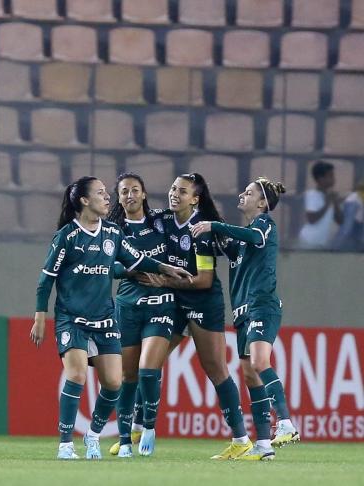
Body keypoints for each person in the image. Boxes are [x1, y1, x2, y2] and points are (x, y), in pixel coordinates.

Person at [31, 176, 192, 460]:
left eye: (107, 193)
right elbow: (46, 281)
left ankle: (93, 436)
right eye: (101, 193)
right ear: (84, 200)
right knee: (77, 374)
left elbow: (138, 260)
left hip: (105, 319)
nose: (108, 198)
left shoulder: (113, 234)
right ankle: (66, 444)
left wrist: (167, 268)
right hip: (72, 318)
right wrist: (40, 317)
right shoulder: (67, 236)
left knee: (114, 383)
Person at [140, 173, 253, 459]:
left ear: (195, 199)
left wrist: (164, 281)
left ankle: (241, 439)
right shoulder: (162, 220)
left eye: (183, 191)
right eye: (173, 188)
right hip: (174, 302)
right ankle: (136, 433)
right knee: (149, 365)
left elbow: (203, 280)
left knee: (216, 370)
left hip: (203, 302)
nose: (175, 194)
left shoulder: (201, 230)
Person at [191, 177, 299, 460]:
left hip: (262, 305)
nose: (242, 194)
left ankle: (286, 422)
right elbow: (227, 244)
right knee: (251, 375)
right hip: (243, 313)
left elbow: (252, 237)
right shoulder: (242, 239)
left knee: (260, 362)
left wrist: (214, 225)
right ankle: (263, 446)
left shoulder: (264, 225)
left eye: (249, 192)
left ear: (262, 203)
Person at [107, 173, 176, 458]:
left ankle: (148, 427)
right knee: (127, 375)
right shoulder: (111, 230)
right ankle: (124, 440)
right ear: (119, 197)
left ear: (145, 194)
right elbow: (107, 269)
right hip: (127, 305)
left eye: (135, 190)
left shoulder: (161, 221)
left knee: (149, 370)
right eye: (125, 191)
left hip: (161, 303)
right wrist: (131, 271)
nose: (130, 195)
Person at [298, 161, 343, 250]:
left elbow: (340, 221)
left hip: (321, 243)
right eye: (330, 176)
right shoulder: (312, 195)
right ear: (320, 179)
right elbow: (312, 219)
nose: (334, 179)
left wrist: (336, 203)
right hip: (309, 241)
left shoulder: (330, 196)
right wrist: (327, 204)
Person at [331, 179, 364, 252]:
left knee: (358, 232)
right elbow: (358, 188)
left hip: (360, 207)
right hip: (353, 202)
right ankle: (334, 248)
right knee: (346, 227)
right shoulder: (355, 195)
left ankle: (356, 249)